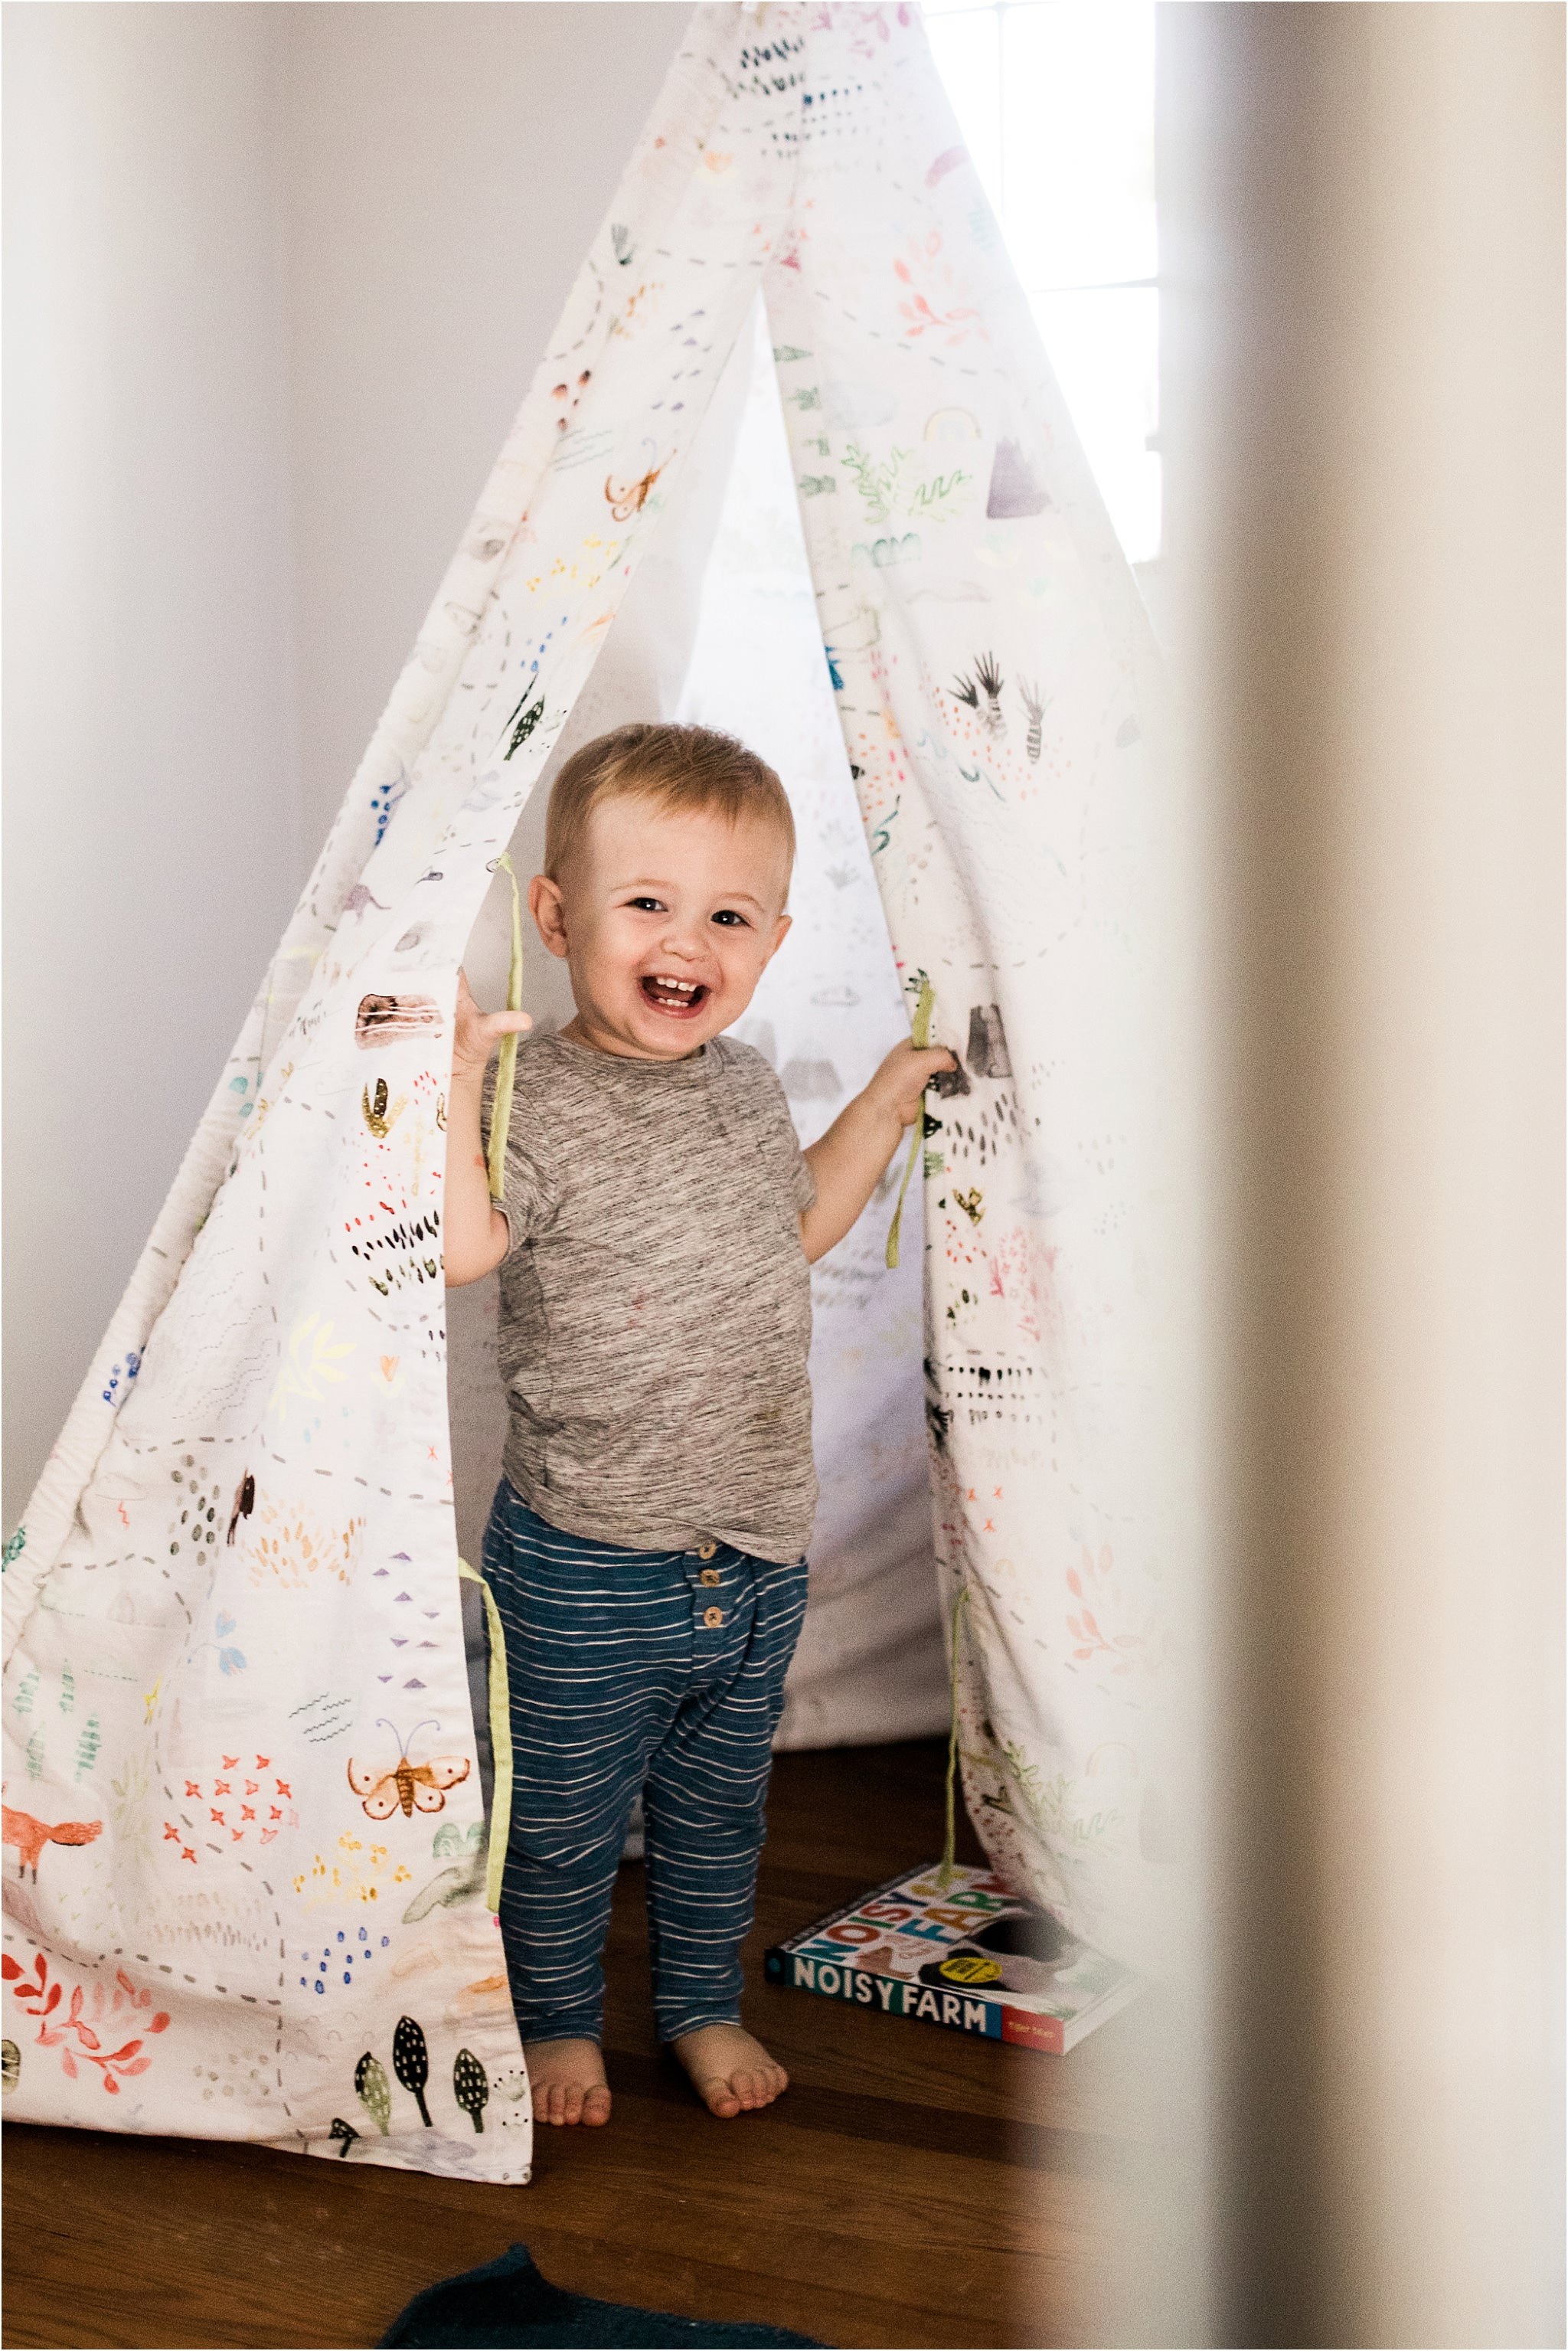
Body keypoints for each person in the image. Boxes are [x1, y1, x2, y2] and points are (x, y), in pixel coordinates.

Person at [443, 721, 952, 2127]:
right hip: (587, 1552)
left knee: (717, 1810)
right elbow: (464, 1249)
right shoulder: (526, 1086)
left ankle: (698, 2002)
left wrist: (885, 1098)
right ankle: (555, 2021)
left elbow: (792, 1226)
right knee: (557, 1821)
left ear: (774, 939)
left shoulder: (738, 1078)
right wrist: (447, 1084)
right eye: (648, 903)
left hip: (755, 1549)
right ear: (557, 918)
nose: (690, 942)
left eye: (729, 914)